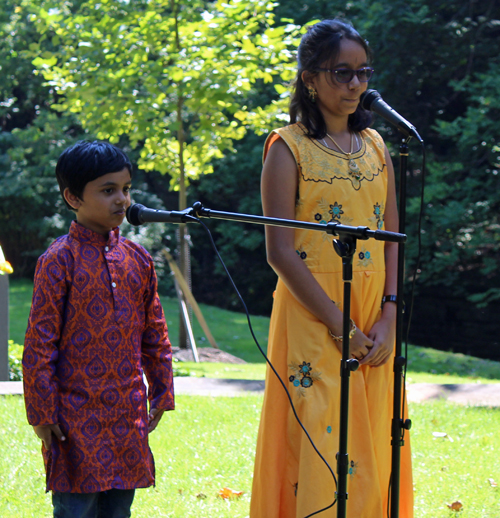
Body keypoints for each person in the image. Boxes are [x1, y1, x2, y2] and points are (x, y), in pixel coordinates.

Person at [250, 19, 413, 518]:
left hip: (373, 314)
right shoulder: (287, 147)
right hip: (312, 313)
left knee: (371, 442)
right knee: (320, 435)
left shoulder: (379, 147)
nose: (355, 85)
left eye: (362, 72)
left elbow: (392, 240)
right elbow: (279, 251)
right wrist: (340, 326)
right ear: (309, 77)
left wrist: (387, 316)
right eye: (341, 73)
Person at [22, 140, 174, 518]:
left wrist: (161, 391)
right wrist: (42, 412)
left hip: (126, 411)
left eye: (125, 189)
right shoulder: (59, 261)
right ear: (73, 197)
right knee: (76, 508)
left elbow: (154, 334)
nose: (122, 200)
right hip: (73, 418)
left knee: (119, 509)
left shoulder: (137, 259)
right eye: (108, 191)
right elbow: (39, 344)